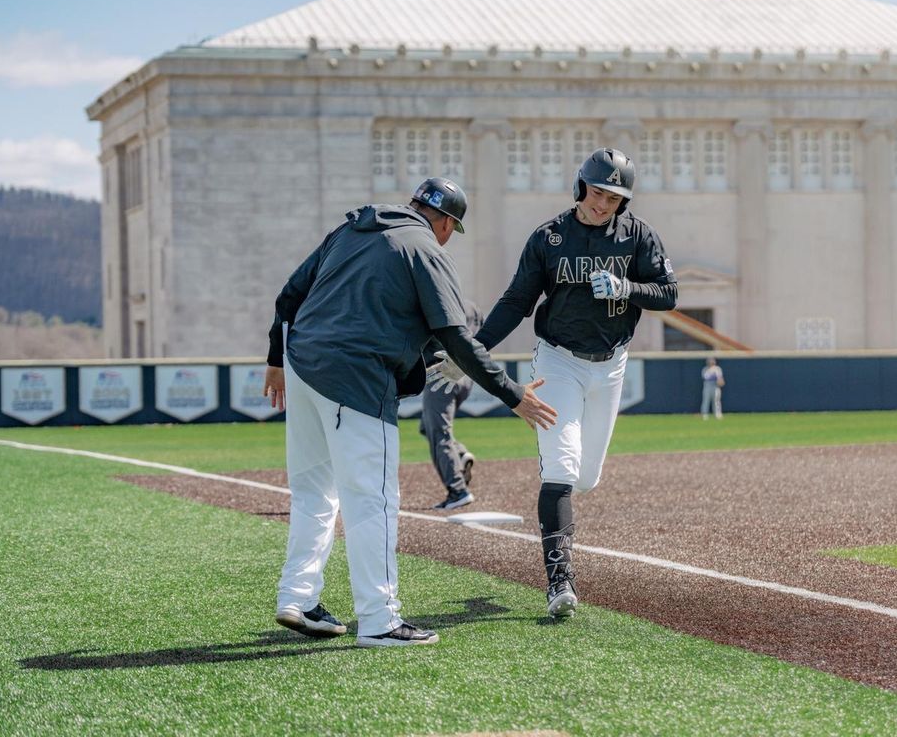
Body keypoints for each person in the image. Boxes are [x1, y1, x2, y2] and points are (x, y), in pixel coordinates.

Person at [262, 177, 557, 648]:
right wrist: (512, 394)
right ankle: (380, 620)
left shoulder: (351, 229)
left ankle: (297, 598)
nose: (446, 238)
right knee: (374, 500)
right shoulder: (424, 246)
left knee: (314, 493)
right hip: (354, 378)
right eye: (450, 229)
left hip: (301, 367)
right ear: (445, 221)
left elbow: (287, 297)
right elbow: (457, 336)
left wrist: (276, 360)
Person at [434, 148, 677, 618]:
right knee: (562, 469)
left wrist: (629, 288)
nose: (603, 204)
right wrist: (470, 352)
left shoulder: (637, 235)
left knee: (587, 477)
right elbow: (515, 302)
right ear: (580, 185)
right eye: (597, 192)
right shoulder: (549, 237)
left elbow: (668, 294)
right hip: (557, 360)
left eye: (614, 197)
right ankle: (559, 582)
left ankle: (556, 436)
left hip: (611, 364)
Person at [420, 298, 484, 510]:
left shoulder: (434, 303)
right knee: (427, 427)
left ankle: (458, 491)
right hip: (467, 376)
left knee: (439, 433)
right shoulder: (470, 305)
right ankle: (460, 454)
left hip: (443, 374)